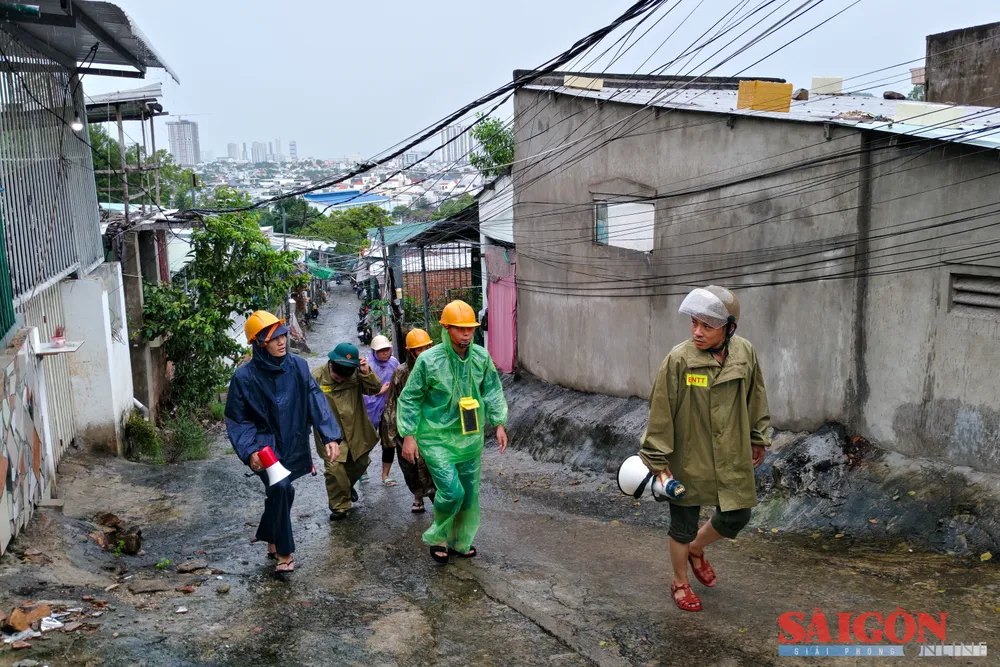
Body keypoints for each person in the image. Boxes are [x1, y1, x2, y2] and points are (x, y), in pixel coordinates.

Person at [639, 286, 770, 612]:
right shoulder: (679, 360)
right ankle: (679, 582)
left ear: (729, 328)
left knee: (737, 514)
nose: (697, 332)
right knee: (682, 525)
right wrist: (658, 459)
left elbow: (756, 395)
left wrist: (757, 436)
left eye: (707, 326)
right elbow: (661, 410)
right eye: (694, 323)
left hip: (731, 451)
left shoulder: (744, 353)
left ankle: (696, 548)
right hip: (688, 454)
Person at [225, 311, 342, 574]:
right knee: (281, 487)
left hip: (293, 439)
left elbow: (314, 397)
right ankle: (284, 553)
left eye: (283, 335)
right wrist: (250, 450)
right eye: (274, 338)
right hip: (264, 446)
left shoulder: (298, 366)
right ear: (259, 343)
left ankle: (271, 535)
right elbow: (238, 419)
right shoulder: (244, 377)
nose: (281, 342)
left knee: (280, 491)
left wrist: (330, 435)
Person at [397, 301, 509, 564]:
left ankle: (459, 541)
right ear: (446, 329)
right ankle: (439, 537)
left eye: (470, 328)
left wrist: (499, 423)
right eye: (459, 328)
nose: (466, 333)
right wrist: (409, 435)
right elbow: (410, 398)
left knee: (468, 495)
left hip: (469, 438)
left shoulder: (481, 358)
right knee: (452, 491)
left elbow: (493, 390)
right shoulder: (428, 361)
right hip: (435, 439)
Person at [312, 342, 382, 520]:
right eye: (337, 376)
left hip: (356, 428)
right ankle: (340, 506)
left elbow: (375, 389)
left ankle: (345, 488)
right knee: (334, 468)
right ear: (331, 364)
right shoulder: (316, 377)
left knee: (360, 463)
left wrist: (366, 372)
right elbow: (306, 405)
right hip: (330, 433)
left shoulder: (358, 373)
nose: (340, 380)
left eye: (344, 377)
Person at [380, 328, 437, 513]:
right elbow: (392, 403)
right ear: (411, 351)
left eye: (427, 347)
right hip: (407, 428)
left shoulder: (438, 368)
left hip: (432, 427)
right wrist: (391, 435)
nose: (424, 352)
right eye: (419, 349)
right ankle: (417, 495)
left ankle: (440, 504)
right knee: (410, 467)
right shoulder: (401, 372)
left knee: (433, 467)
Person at [363, 335, 400, 487]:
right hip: (370, 410)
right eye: (381, 350)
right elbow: (362, 392)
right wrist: (380, 391)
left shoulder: (394, 363)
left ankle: (385, 474)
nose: (385, 353)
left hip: (389, 408)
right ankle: (362, 470)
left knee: (389, 441)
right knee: (366, 441)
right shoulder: (367, 366)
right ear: (374, 352)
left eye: (387, 349)